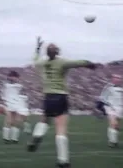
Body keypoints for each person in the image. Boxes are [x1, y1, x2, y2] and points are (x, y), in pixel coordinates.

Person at [27, 37, 97, 168]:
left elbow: (35, 60)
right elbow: (79, 62)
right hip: (60, 96)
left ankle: (37, 135)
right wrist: (90, 64)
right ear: (57, 52)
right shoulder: (62, 62)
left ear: (47, 53)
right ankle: (63, 161)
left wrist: (37, 49)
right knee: (61, 129)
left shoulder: (42, 63)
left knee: (45, 120)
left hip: (48, 96)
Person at [1, 71, 31, 144]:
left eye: (15, 77)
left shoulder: (19, 85)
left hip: (17, 103)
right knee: (8, 120)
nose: (14, 78)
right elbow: (3, 93)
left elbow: (24, 90)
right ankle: (6, 138)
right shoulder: (6, 85)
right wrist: (3, 101)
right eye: (13, 77)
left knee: (16, 121)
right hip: (8, 103)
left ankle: (14, 138)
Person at [100, 74, 123, 148]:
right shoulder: (108, 87)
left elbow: (122, 98)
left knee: (116, 125)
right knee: (113, 124)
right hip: (111, 108)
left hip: (119, 108)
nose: (118, 79)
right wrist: (109, 105)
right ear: (112, 79)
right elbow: (102, 98)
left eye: (119, 78)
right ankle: (112, 142)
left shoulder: (121, 88)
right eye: (116, 78)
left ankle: (113, 140)